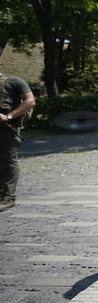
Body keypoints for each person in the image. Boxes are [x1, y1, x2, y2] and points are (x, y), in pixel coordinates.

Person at [0, 61, 35, 211]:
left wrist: (8, 117)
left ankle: (7, 198)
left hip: (6, 129)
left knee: (7, 162)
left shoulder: (13, 81)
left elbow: (30, 101)